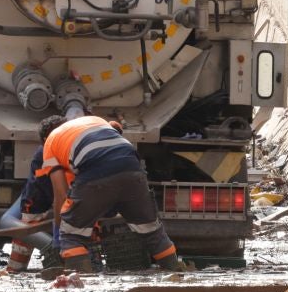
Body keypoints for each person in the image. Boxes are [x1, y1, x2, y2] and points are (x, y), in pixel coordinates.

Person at [36, 114, 184, 273]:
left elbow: (61, 194)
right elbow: (116, 128)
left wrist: (60, 230)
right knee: (151, 230)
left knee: (72, 235)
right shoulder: (95, 120)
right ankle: (175, 273)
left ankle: (77, 287)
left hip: (95, 172)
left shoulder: (50, 143)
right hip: (132, 168)